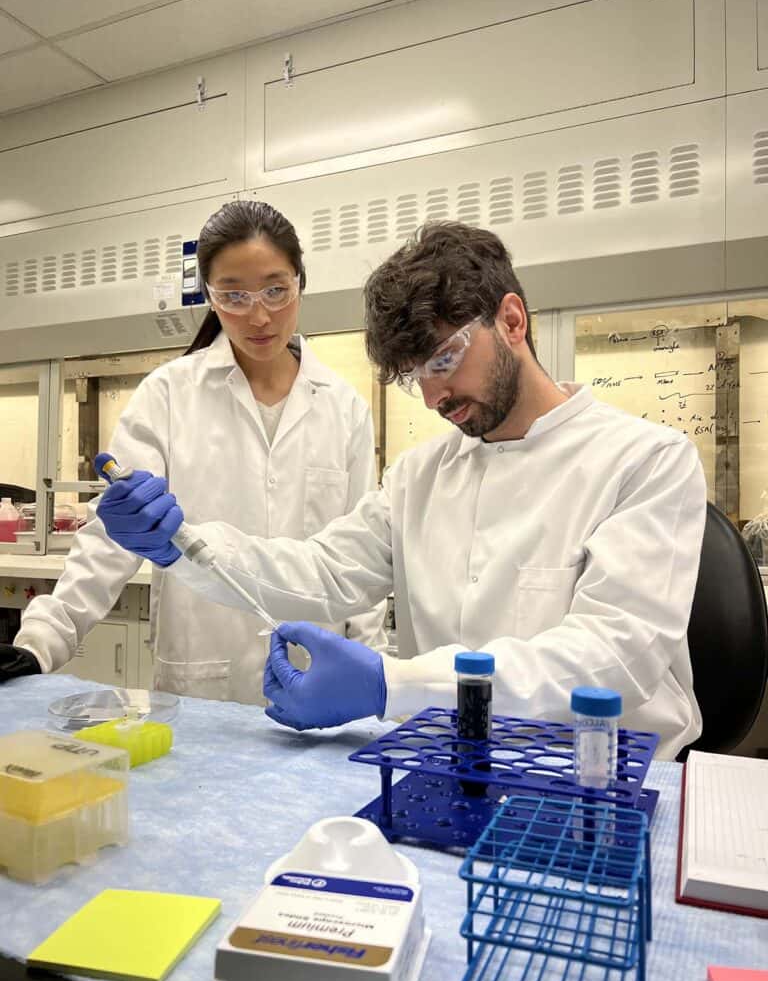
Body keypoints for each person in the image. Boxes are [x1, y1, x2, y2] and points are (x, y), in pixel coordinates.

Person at [93, 221, 707, 758]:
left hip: (597, 786)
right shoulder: (420, 476)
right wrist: (181, 545)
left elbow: (609, 660)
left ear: (512, 320)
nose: (435, 397)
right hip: (446, 771)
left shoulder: (646, 463)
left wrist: (395, 685)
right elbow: (321, 570)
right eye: (417, 379)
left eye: (442, 361)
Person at [0, 201, 385, 702]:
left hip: (317, 674)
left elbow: (363, 559)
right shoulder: (168, 394)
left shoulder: (343, 406)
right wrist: (41, 643)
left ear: (300, 282)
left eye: (275, 290)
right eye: (234, 296)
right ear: (209, 295)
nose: (260, 315)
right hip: (201, 683)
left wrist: (377, 675)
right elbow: (111, 538)